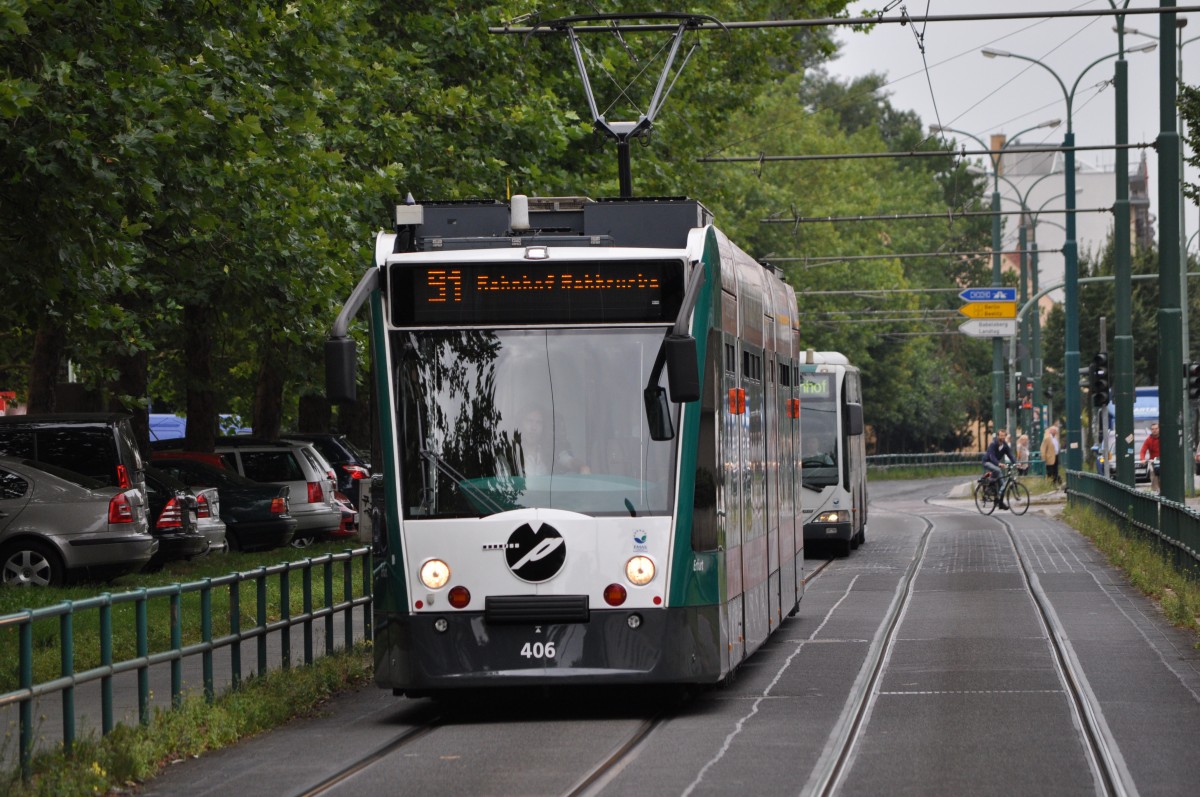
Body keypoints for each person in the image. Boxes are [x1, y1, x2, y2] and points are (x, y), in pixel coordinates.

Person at [516, 408, 588, 476]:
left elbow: (569, 461)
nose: (533, 427)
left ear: (543, 427)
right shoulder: (511, 451)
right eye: (529, 421)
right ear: (521, 424)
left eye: (539, 422)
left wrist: (582, 467)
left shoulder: (550, 451)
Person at [983, 429, 1015, 508]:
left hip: (995, 464)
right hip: (987, 462)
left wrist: (1016, 463)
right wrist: (999, 464)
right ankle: (989, 486)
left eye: (1004, 435)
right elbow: (992, 456)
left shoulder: (1005, 445)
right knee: (997, 470)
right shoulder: (993, 444)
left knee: (1003, 484)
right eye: (1001, 435)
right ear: (998, 436)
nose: (1002, 437)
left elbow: (1010, 454)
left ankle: (1000, 503)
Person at [1140, 422, 1161, 493]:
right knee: (1154, 477)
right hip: (1153, 462)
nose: (1154, 430)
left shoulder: (1164, 437)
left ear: (1159, 429)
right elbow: (1143, 451)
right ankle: (1155, 491)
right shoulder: (1149, 440)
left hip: (1163, 462)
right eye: (1153, 429)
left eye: (1156, 428)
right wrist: (1142, 459)